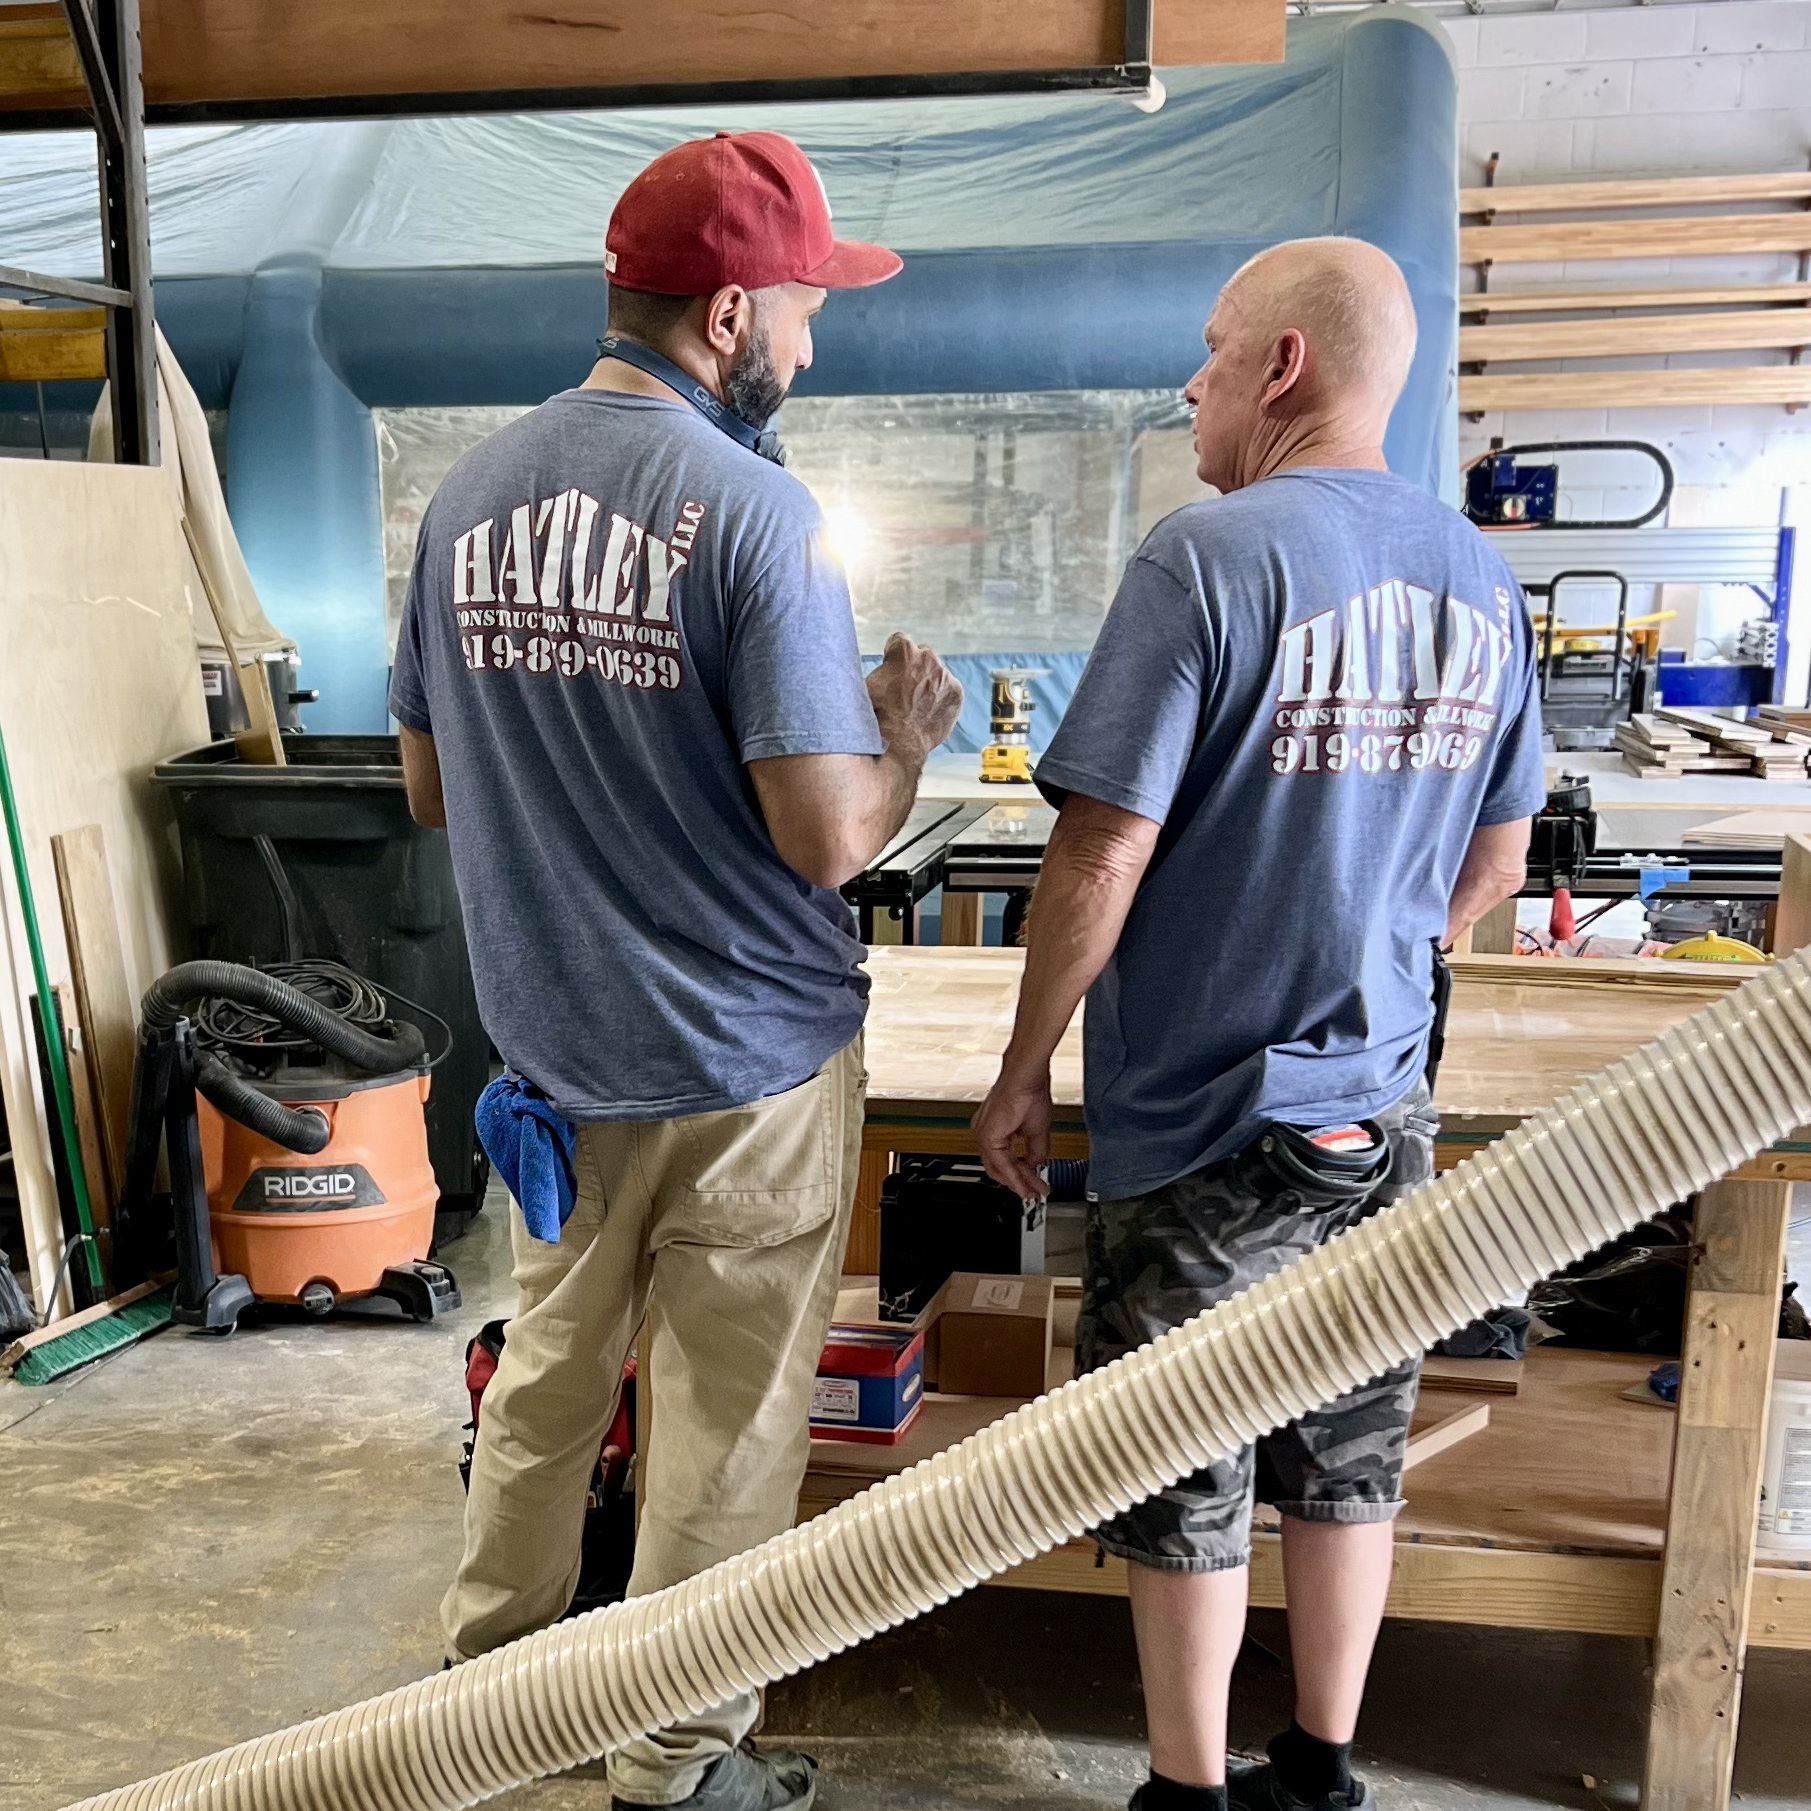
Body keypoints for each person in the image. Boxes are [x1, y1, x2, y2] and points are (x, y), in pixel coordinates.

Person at [392, 129, 962, 1811]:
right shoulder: (756, 517)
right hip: (746, 1069)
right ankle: (672, 1762)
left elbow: (431, 789)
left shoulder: (466, 498)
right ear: (726, 311)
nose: (812, 339)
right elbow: (826, 841)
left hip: (555, 1063)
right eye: (801, 308)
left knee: (552, 1379)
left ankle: (477, 1703)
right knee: (724, 1425)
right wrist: (901, 738)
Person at [973, 237, 1543, 1811]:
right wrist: (1373, 932)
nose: (1193, 382)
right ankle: (1323, 1764)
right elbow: (1498, 855)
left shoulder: (1206, 559)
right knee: (1349, 1450)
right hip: (1382, 1111)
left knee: (1180, 1455)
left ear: (1283, 367)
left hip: (1204, 1118)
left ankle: (1185, 1788)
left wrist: (1023, 1068)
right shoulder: (1479, 575)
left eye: (1214, 352)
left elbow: (1099, 847)